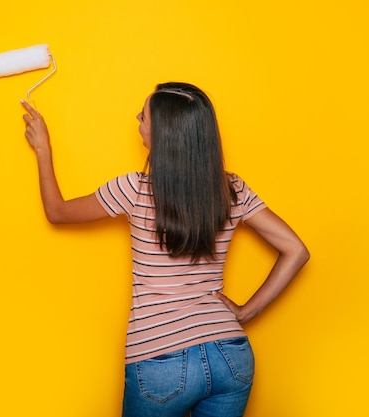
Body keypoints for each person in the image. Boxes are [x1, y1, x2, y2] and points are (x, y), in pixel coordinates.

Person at [21, 82, 309, 417]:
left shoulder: (132, 189)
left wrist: (43, 149)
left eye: (143, 116)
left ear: (163, 134)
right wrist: (245, 313)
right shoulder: (231, 189)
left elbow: (57, 212)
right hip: (230, 355)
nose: (138, 120)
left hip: (160, 360)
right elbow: (296, 249)